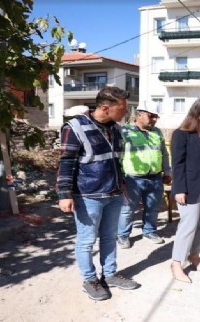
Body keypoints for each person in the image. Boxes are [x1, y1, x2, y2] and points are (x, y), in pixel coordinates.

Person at [57, 87, 139, 301]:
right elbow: (66, 162)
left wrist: (122, 185)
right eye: (122, 109)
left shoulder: (116, 129)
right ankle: (90, 279)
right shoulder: (75, 127)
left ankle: (109, 275)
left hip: (113, 193)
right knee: (86, 241)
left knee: (110, 237)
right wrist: (64, 193)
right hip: (88, 195)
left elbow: (115, 161)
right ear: (105, 107)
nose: (125, 113)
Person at [170, 98, 200, 283]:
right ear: (197, 113)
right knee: (188, 225)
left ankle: (195, 256)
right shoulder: (182, 134)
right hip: (189, 185)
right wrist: (180, 189)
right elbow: (177, 164)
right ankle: (176, 263)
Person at [117, 102, 171, 248]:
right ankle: (122, 235)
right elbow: (117, 155)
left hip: (155, 177)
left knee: (153, 207)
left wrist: (167, 171)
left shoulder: (157, 132)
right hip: (132, 178)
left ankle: (149, 231)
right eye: (151, 116)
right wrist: (119, 177)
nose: (154, 119)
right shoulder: (125, 131)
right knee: (127, 209)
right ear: (139, 115)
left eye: (156, 117)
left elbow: (164, 153)